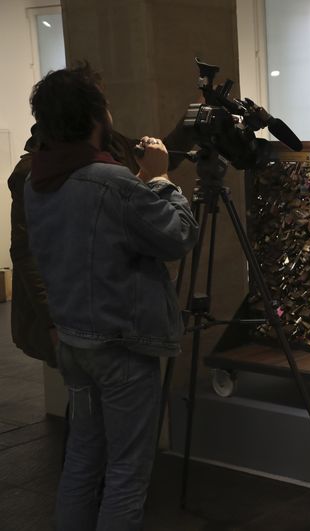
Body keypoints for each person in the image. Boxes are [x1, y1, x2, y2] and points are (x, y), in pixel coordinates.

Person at [23, 63, 199, 531]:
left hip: (75, 343)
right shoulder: (111, 182)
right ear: (94, 116)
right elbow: (178, 236)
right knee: (127, 471)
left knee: (83, 457)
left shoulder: (36, 181)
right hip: (122, 345)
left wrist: (139, 181)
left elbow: (97, 236)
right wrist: (160, 179)